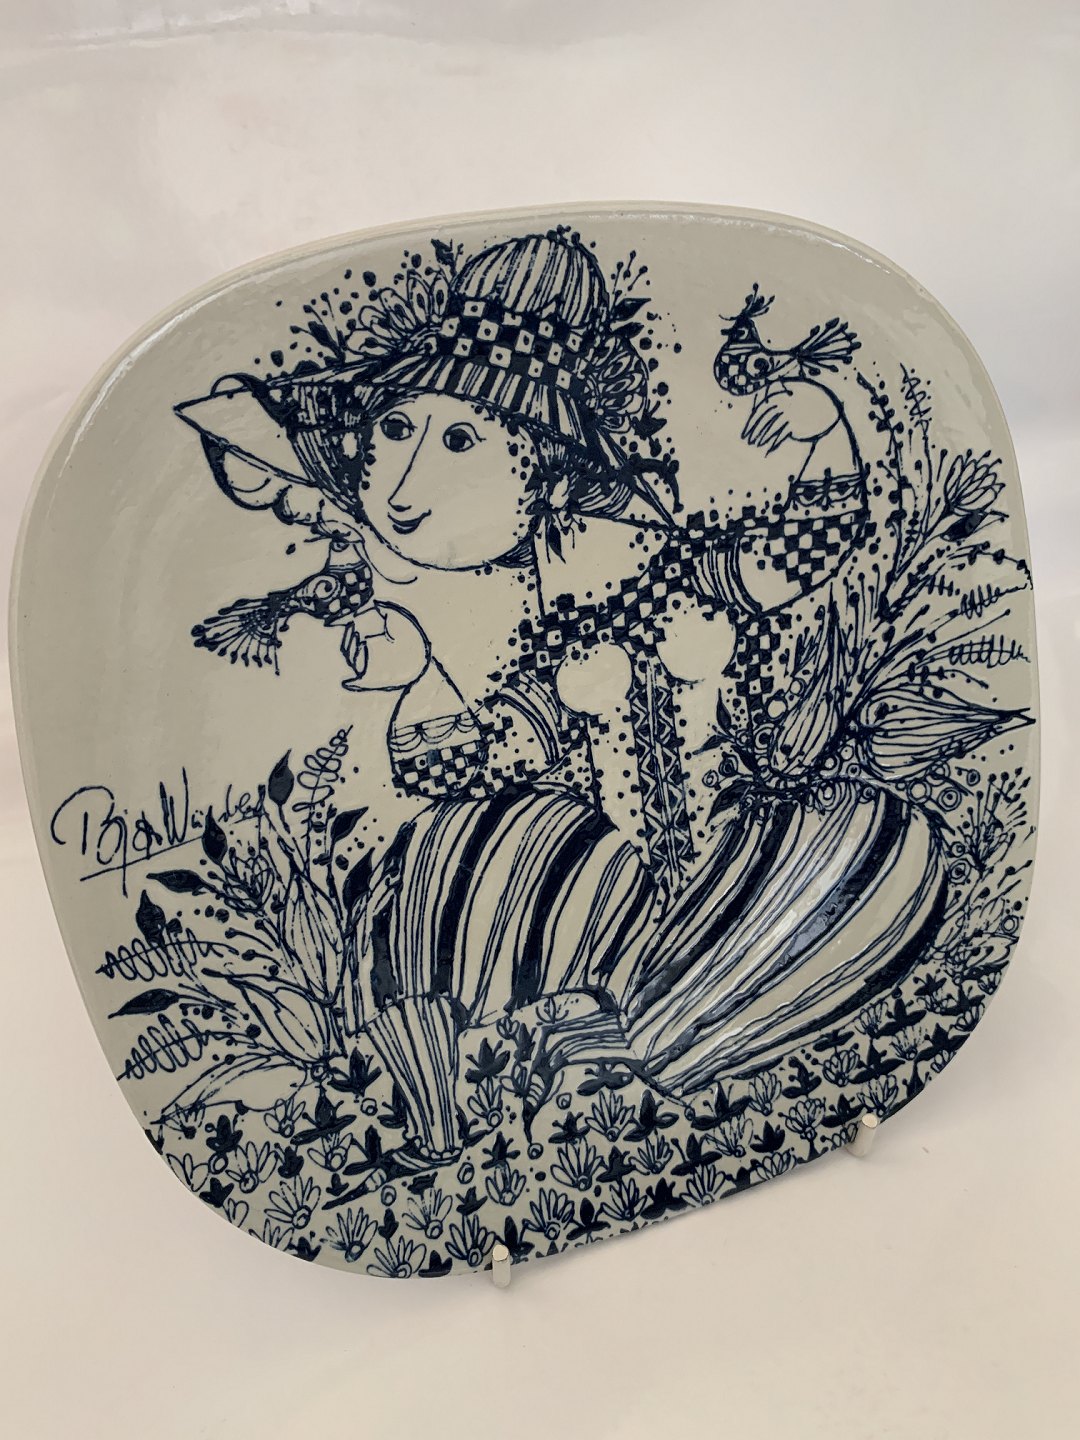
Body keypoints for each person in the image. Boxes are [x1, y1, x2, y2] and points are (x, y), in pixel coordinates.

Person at [176, 230, 944, 1168]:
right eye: (395, 430)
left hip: (741, 874)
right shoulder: (555, 650)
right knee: (451, 854)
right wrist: (419, 680)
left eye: (461, 439)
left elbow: (811, 540)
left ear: (543, 469)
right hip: (609, 918)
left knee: (874, 843)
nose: (403, 486)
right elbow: (465, 767)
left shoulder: (687, 579)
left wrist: (826, 429)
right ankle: (588, 1048)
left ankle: (659, 1037)